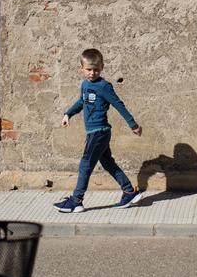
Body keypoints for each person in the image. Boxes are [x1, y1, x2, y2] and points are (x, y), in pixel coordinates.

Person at [54, 49, 144, 213]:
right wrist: (68, 114)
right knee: (108, 163)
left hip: (99, 131)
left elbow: (118, 104)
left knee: (85, 165)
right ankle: (129, 191)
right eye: (89, 69)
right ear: (82, 68)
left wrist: (133, 125)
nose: (92, 73)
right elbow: (82, 102)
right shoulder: (85, 85)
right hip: (94, 132)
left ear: (102, 67)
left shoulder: (104, 86)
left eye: (96, 69)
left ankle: (76, 200)